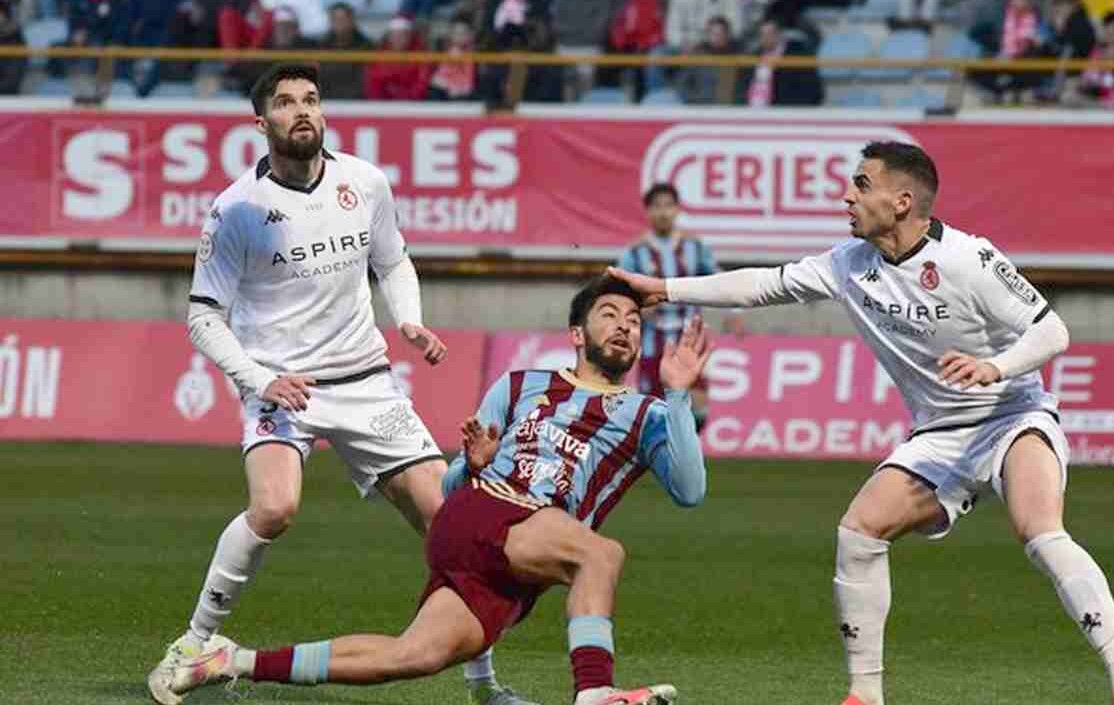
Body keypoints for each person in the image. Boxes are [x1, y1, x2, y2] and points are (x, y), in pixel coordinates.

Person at [608, 141, 1114, 705]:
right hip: (938, 435)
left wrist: (993, 367)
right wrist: (667, 290)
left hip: (1011, 415)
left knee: (1040, 531)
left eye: (861, 184)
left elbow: (1052, 333)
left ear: (901, 201)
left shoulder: (969, 258)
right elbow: (766, 283)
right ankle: (865, 695)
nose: (846, 195)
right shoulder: (848, 264)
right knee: (858, 531)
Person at [146, 62, 537, 705]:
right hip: (282, 386)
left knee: (453, 525)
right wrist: (258, 379)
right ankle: (195, 642)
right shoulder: (235, 210)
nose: (301, 110)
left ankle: (485, 686)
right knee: (274, 507)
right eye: (285, 102)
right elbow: (202, 315)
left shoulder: (364, 181)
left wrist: (408, 319)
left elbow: (394, 260)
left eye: (311, 99)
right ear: (261, 121)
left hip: (367, 382)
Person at [157, 275, 711, 705]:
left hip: (519, 565)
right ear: (577, 334)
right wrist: (471, 465)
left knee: (411, 656)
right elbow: (449, 484)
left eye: (633, 320)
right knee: (601, 553)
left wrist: (679, 395)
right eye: (608, 314)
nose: (623, 326)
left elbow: (689, 491)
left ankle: (232, 661)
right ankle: (593, 692)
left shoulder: (648, 415)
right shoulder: (522, 384)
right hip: (487, 511)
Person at [615, 183, 742, 430]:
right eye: (657, 207)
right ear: (648, 212)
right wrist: (636, 306)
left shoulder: (694, 247)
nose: (663, 212)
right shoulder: (635, 251)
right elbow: (618, 289)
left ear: (677, 210)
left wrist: (733, 311)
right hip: (653, 341)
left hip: (689, 339)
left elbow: (718, 279)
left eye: (668, 206)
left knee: (699, 407)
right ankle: (662, 457)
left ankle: (685, 454)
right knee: (651, 409)